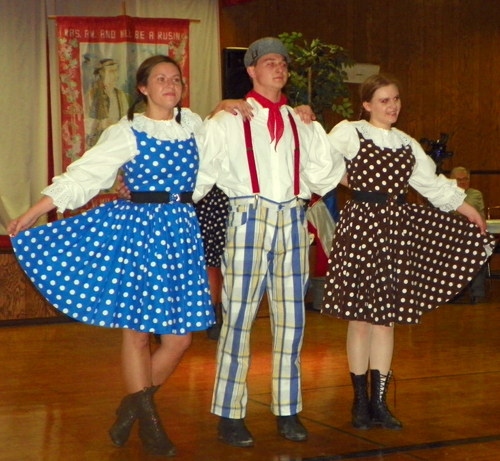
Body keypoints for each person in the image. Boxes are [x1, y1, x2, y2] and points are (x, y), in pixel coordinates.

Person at [8, 55, 214, 457]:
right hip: (138, 233)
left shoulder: (195, 127)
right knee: (137, 332)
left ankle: (132, 407)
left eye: (175, 79)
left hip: (180, 233)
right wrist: (34, 212)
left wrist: (228, 106)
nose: (170, 85)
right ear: (143, 88)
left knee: (179, 338)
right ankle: (151, 425)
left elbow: (220, 158)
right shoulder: (128, 132)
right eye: (160, 79)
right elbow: (84, 174)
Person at [321, 74, 496, 432]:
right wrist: (349, 180)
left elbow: (431, 185)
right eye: (384, 100)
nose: (392, 105)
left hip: (395, 231)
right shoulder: (349, 132)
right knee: (360, 319)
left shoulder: (405, 143)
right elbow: (318, 164)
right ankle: (359, 402)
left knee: (385, 320)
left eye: (396, 99)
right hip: (361, 227)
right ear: (367, 104)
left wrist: (468, 209)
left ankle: (379, 403)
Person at [195, 37, 346, 447]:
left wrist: (312, 125)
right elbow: (202, 171)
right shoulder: (227, 120)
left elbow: (323, 172)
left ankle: (287, 410)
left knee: (291, 321)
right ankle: (230, 413)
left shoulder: (301, 121)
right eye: (269, 62)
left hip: (292, 220)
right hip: (247, 217)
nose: (278, 68)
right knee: (238, 319)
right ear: (251, 71)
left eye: (282, 63)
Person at [449, 166, 488, 302]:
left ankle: (478, 296)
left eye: (465, 179)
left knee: (475, 253)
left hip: (473, 238)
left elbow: (462, 211)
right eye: (459, 180)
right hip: (452, 239)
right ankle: (453, 296)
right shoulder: (444, 194)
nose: (463, 182)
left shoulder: (474, 194)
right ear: (451, 181)